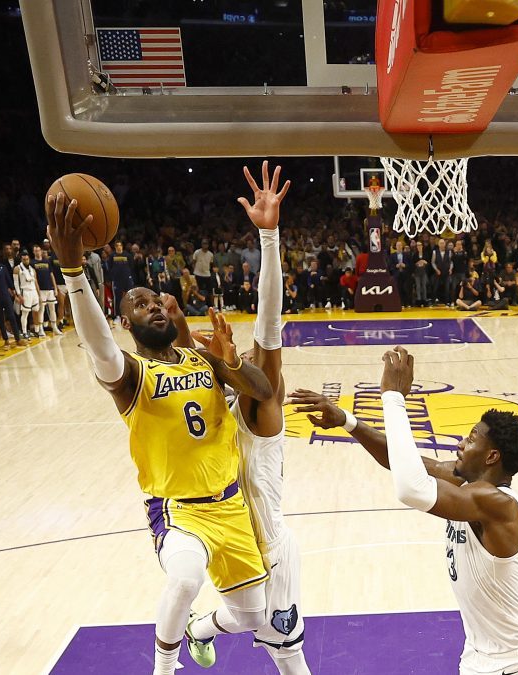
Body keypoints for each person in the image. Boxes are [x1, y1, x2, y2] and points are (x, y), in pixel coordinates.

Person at [45, 190, 274, 675]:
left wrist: (231, 361)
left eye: (156, 301)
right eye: (140, 305)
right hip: (178, 510)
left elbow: (264, 390)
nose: (153, 307)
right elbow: (98, 345)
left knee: (253, 617)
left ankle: (200, 629)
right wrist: (74, 274)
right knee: (186, 579)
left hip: (230, 506)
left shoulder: (201, 359)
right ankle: (164, 669)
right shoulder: (129, 375)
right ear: (126, 323)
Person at [289, 346, 518, 674]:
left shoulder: (496, 503)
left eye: (471, 440)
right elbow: (407, 463)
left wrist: (393, 398)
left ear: (492, 457)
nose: (460, 444)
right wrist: (348, 421)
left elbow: (411, 488)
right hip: (481, 654)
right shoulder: (466, 482)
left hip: (514, 662)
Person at [179, 162, 309, 673]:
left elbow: (268, 322)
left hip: (269, 548)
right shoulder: (213, 401)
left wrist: (269, 238)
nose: (252, 357)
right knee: (250, 620)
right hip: (226, 535)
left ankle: (198, 628)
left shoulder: (262, 407)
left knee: (286, 649)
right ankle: (202, 626)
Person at [14, 252, 42, 338]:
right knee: (25, 313)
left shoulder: (32, 269)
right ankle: (24, 332)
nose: (26, 261)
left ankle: (37, 331)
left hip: (34, 292)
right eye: (24, 259)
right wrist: (19, 295)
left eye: (27, 259)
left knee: (36, 311)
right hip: (25, 291)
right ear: (21, 259)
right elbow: (16, 283)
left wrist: (39, 295)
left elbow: (36, 282)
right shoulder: (17, 269)